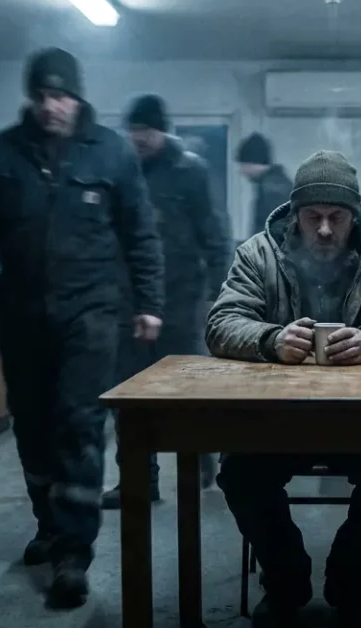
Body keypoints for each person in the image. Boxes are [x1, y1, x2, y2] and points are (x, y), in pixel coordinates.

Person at [0, 47, 164, 608]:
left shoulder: (112, 153)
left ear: (77, 98)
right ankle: (49, 524)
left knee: (79, 423)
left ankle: (74, 553)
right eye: (42, 96)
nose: (52, 106)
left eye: (61, 96)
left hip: (91, 314)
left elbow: (140, 233)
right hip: (21, 316)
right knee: (32, 426)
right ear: (30, 98)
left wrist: (149, 302)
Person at [206, 150, 361, 627]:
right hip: (277, 419)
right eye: (314, 217)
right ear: (295, 215)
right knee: (241, 474)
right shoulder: (258, 254)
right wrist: (270, 339)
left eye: (337, 217)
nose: (327, 229)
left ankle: (350, 583)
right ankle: (286, 581)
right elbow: (222, 322)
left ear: (355, 215)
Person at [101, 93, 229, 509]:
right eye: (134, 130)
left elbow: (215, 236)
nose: (140, 138)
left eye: (147, 130)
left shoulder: (190, 172)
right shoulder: (121, 171)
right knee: (129, 398)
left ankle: (203, 454)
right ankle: (139, 481)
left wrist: (219, 295)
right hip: (130, 303)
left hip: (181, 300)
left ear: (162, 131)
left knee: (188, 392)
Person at [234, 132, 294, 241]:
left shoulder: (273, 190)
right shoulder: (276, 184)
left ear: (253, 162)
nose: (242, 171)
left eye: (244, 164)